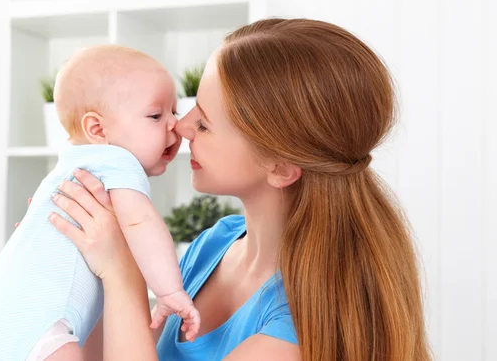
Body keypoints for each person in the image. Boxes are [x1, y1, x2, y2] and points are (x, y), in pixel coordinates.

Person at [49, 18, 433, 361]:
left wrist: (120, 272)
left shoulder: (304, 322)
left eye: (205, 124)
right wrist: (86, 260)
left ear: (280, 168)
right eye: (192, 108)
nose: (182, 128)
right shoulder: (215, 245)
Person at [0, 45, 199, 361]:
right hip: (38, 328)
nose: (174, 125)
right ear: (98, 129)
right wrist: (169, 292)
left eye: (174, 112)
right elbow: (141, 224)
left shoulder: (76, 166)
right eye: (156, 115)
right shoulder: (116, 160)